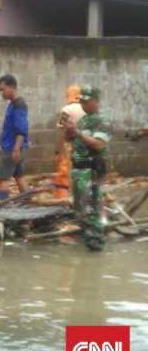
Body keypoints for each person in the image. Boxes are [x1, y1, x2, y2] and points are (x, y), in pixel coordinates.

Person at [62, 86, 112, 252]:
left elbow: (98, 144)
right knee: (79, 207)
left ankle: (96, 243)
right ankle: (89, 239)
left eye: (86, 101)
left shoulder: (102, 121)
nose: (83, 104)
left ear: (96, 100)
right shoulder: (83, 120)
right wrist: (69, 131)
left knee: (90, 208)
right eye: (81, 101)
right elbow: (71, 140)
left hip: (91, 170)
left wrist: (77, 132)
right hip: (79, 170)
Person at [0, 74, 30, 199]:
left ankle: (1, 209)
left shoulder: (18, 105)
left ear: (12, 87)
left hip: (12, 148)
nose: (2, 93)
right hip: (14, 147)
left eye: (3, 90)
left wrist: (16, 149)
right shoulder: (13, 103)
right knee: (19, 176)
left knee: (3, 179)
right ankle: (28, 204)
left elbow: (21, 129)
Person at [54, 85, 85, 199]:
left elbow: (61, 132)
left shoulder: (66, 110)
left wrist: (58, 151)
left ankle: (62, 200)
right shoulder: (86, 108)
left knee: (64, 173)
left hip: (70, 145)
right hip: (85, 146)